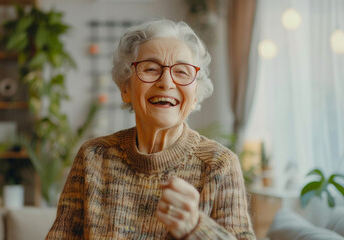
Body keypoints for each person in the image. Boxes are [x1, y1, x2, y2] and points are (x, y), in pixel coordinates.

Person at [46, 19, 255, 240]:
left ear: (195, 97)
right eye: (151, 68)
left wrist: (195, 228)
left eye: (182, 72)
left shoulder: (219, 165)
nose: (166, 82)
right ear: (125, 89)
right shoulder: (94, 157)